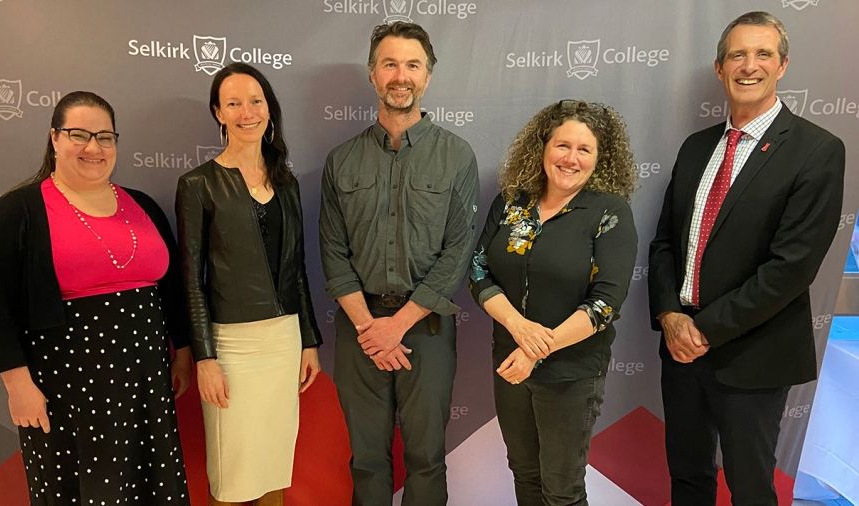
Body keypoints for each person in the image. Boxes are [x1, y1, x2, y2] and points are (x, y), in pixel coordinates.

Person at [648, 11, 845, 506]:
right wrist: (672, 316)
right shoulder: (696, 148)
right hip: (681, 347)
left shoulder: (817, 150)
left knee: (751, 487)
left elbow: (790, 269)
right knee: (688, 476)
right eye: (737, 54)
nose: (748, 65)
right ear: (720, 67)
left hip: (754, 351)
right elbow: (666, 243)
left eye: (763, 54)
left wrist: (705, 330)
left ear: (783, 65)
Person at [0, 91, 192, 505]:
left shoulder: (141, 205)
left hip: (146, 386)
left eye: (105, 137)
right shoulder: (16, 213)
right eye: (79, 134)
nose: (94, 147)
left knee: (152, 490)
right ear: (54, 138)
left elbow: (172, 290)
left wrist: (181, 353)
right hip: (66, 392)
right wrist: (18, 384)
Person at [319, 21, 479, 506]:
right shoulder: (341, 161)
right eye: (390, 64)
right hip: (358, 327)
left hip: (426, 328)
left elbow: (458, 253)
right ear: (372, 75)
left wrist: (399, 325)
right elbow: (332, 251)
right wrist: (372, 328)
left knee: (427, 457)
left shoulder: (456, 156)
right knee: (366, 457)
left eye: (412, 65)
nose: (400, 75)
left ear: (427, 76)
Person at [469, 100, 637, 506]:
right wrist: (519, 329)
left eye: (585, 150)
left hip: (571, 374)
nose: (571, 158)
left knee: (561, 490)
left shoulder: (609, 212)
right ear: (542, 147)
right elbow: (478, 271)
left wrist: (536, 350)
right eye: (563, 145)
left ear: (601, 159)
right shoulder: (512, 203)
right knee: (525, 475)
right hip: (510, 364)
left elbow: (606, 303)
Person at [175, 62, 322, 506]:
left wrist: (308, 341)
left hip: (283, 343)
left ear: (269, 109)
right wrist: (205, 357)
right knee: (234, 470)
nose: (246, 112)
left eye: (255, 101)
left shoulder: (287, 183)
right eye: (233, 103)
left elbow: (297, 269)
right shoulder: (197, 184)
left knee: (274, 463)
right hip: (231, 348)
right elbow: (191, 279)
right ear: (218, 113)